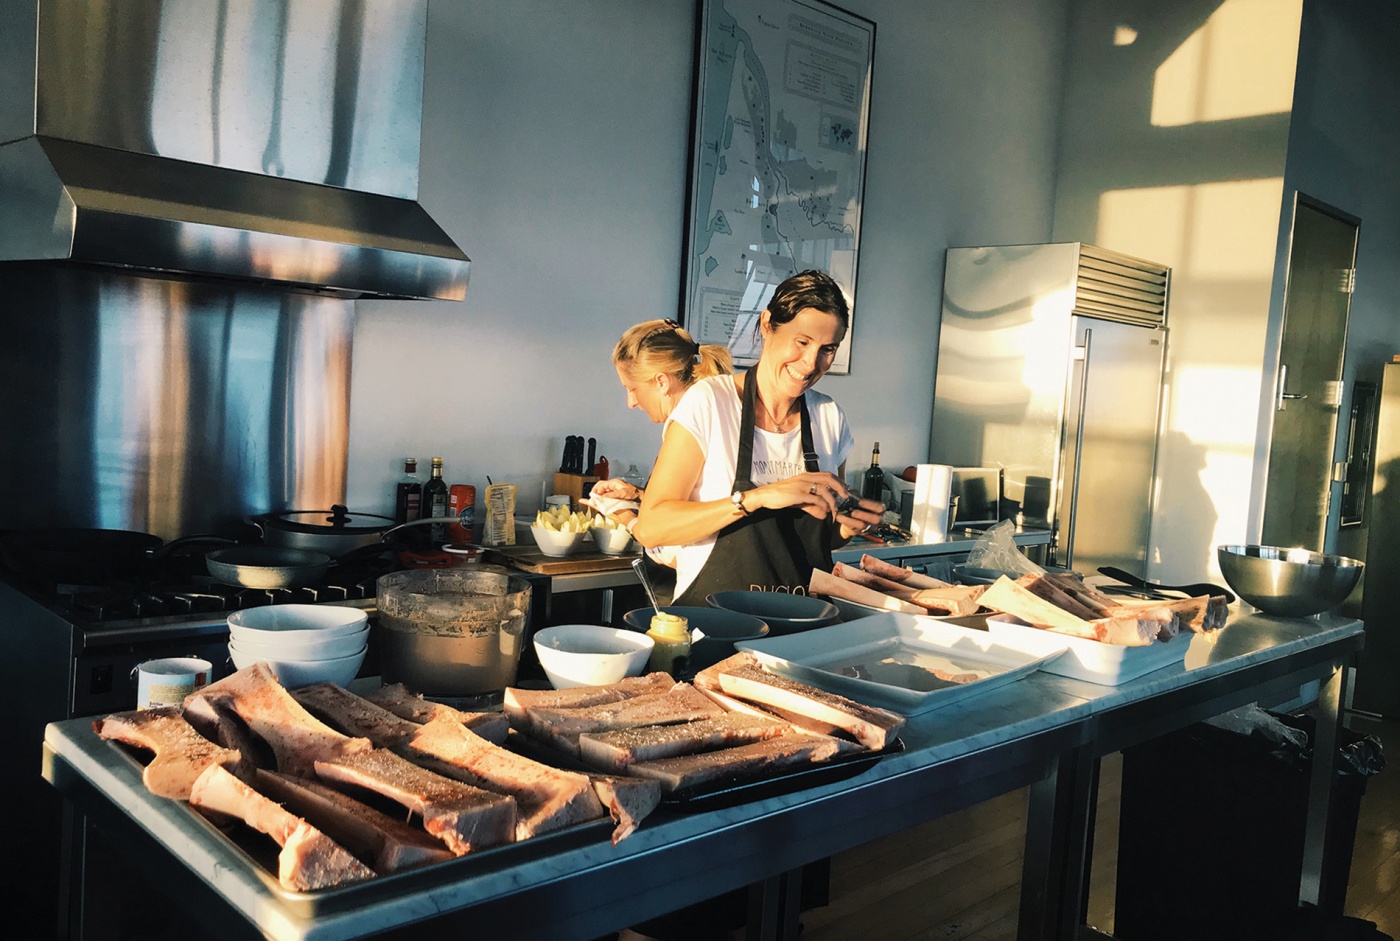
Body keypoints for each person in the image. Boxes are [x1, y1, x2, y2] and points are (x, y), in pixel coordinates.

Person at [630, 269, 884, 606]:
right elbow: (651, 526)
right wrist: (755, 498)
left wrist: (847, 528)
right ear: (767, 325)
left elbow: (823, 539)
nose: (810, 364)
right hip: (716, 627)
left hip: (802, 626)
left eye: (828, 349)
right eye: (802, 342)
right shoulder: (710, 402)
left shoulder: (828, 417)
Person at [590, 318, 733, 514]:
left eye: (632, 389)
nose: (631, 403)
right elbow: (693, 501)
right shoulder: (714, 408)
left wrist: (623, 516)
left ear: (661, 382)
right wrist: (638, 494)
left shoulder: (689, 424)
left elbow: (663, 524)